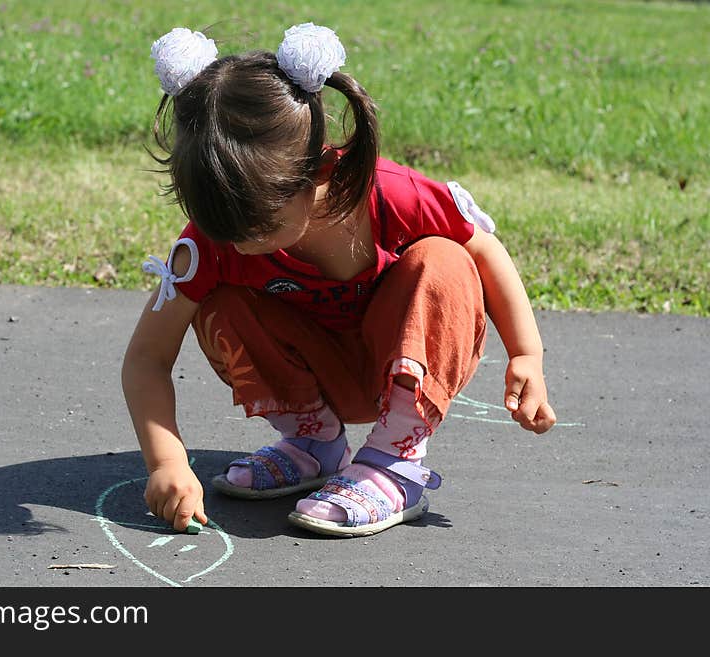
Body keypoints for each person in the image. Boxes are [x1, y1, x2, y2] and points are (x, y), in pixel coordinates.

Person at [122, 23, 556, 538]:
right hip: (314, 374)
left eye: (256, 226)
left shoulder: (390, 193)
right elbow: (147, 358)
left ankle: (396, 460)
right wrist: (166, 461)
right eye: (221, 227)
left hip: (400, 365)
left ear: (316, 171)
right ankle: (313, 443)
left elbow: (485, 250)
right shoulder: (216, 239)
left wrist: (526, 353)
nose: (236, 244)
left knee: (445, 259)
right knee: (215, 297)